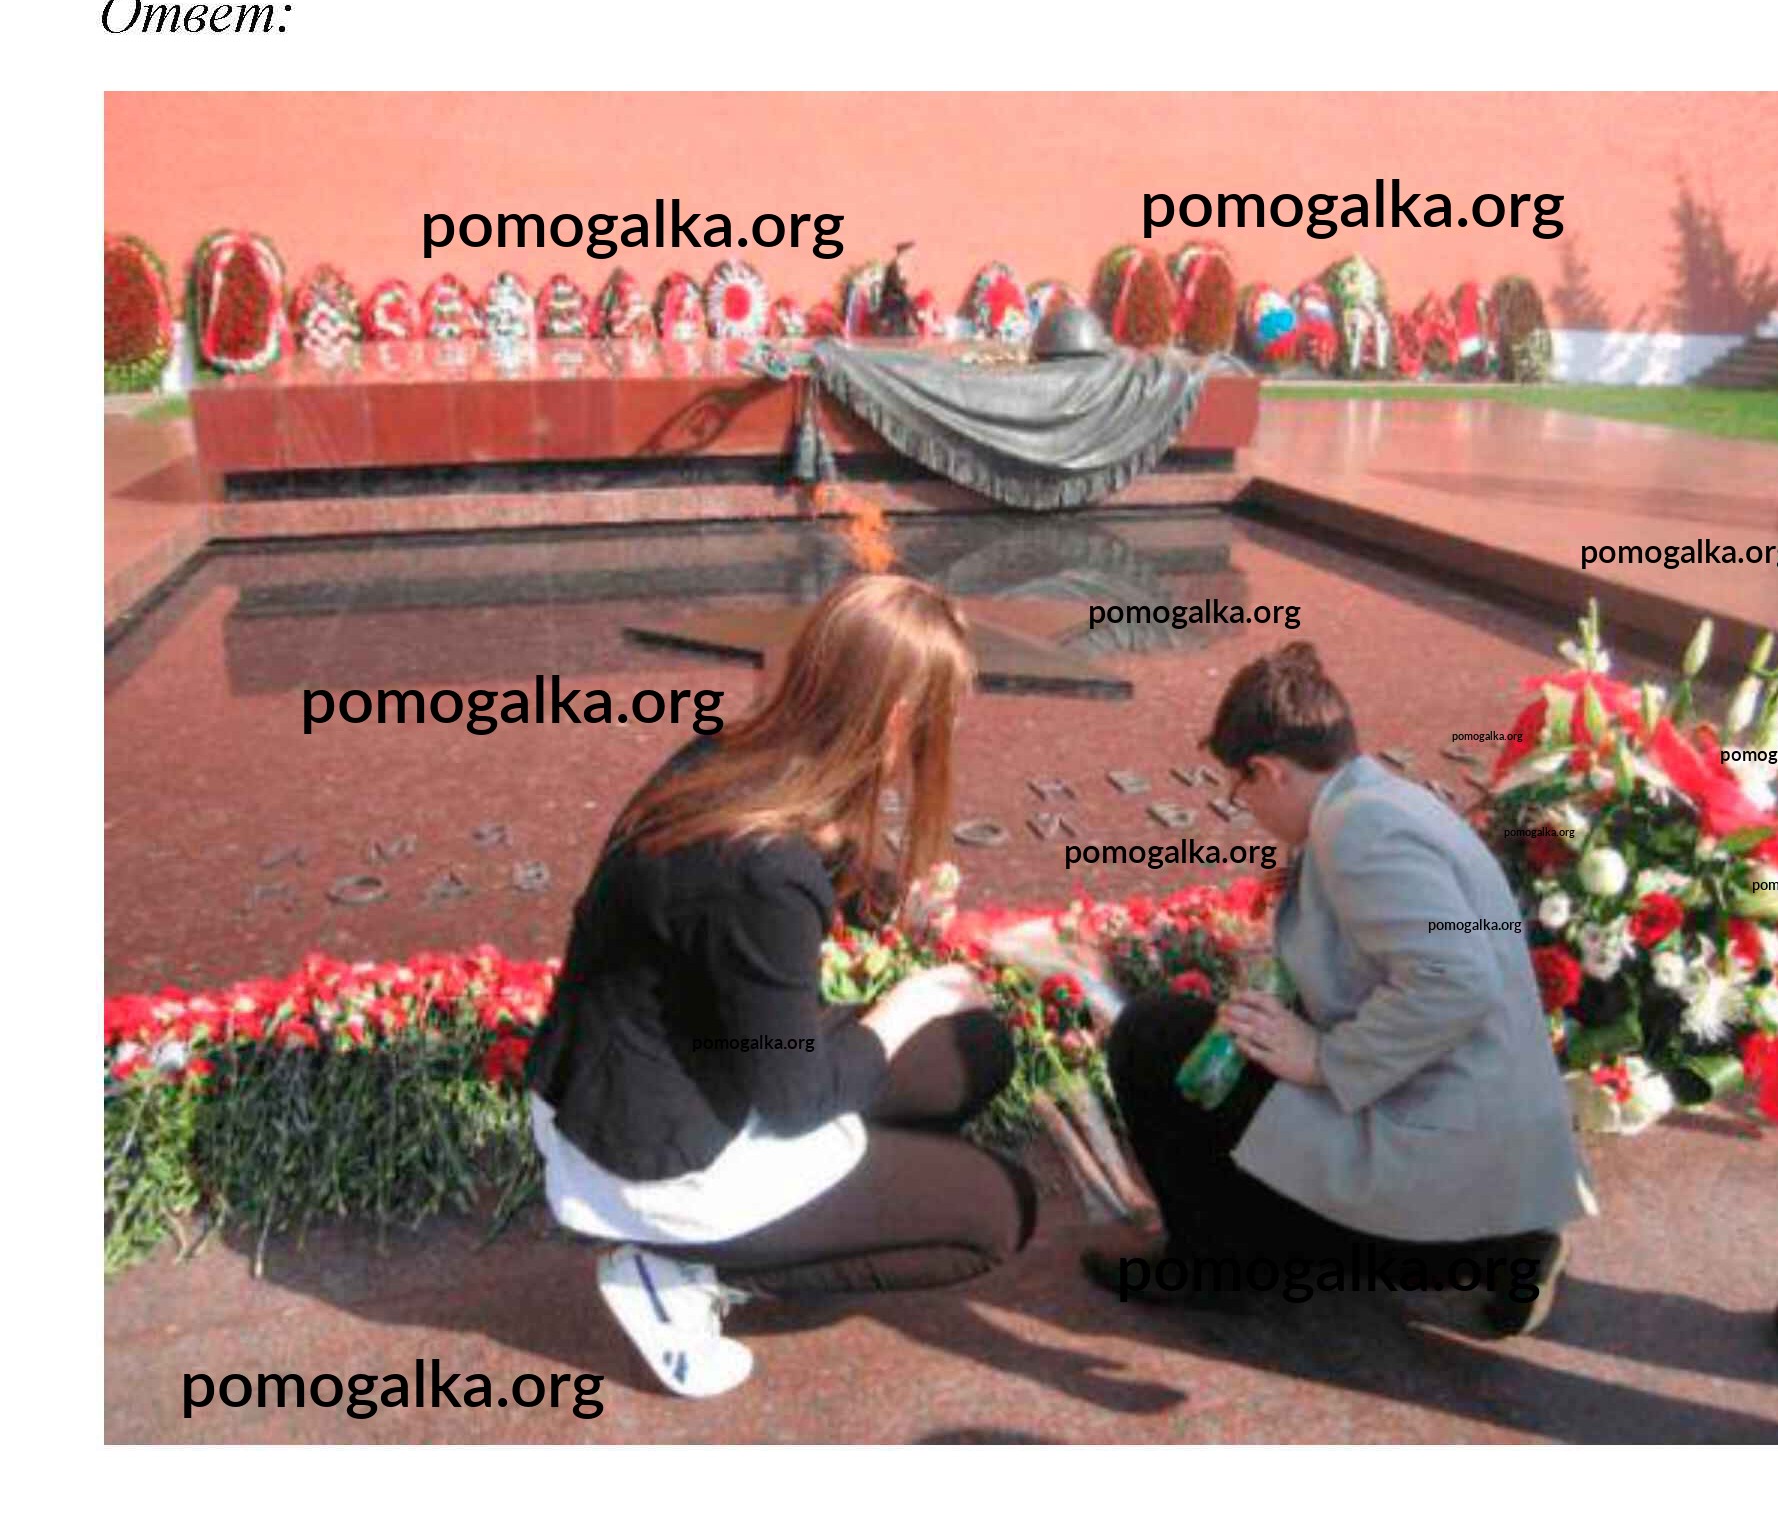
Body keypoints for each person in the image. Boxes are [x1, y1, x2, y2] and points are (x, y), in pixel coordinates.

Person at [526, 575, 1036, 1397]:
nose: (946, 737)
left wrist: (886, 901)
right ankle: (683, 1273)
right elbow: (796, 1098)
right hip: (661, 1158)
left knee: (972, 1048)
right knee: (997, 1212)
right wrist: (910, 1002)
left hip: (664, 1071)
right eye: (944, 716)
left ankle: (832, 1201)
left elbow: (792, 867)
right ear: (897, 718)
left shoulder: (726, 759)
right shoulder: (762, 871)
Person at [1085, 641, 1595, 1335]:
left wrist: (1325, 1059)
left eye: (1239, 789)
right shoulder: (1385, 801)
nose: (1245, 806)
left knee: (1155, 1037)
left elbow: (1456, 979)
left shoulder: (1360, 831)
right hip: (1489, 1156)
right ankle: (1505, 1244)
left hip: (1440, 1178)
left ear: (1266, 771)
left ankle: (1219, 1264)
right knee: (1224, 1042)